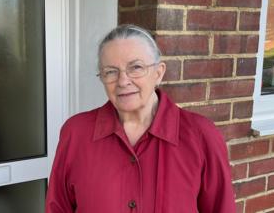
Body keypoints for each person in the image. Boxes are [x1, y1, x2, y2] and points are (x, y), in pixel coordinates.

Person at [45, 24, 235, 212]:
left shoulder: (201, 136)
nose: (123, 81)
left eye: (136, 67)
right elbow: (57, 207)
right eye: (111, 71)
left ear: (159, 73)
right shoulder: (76, 133)